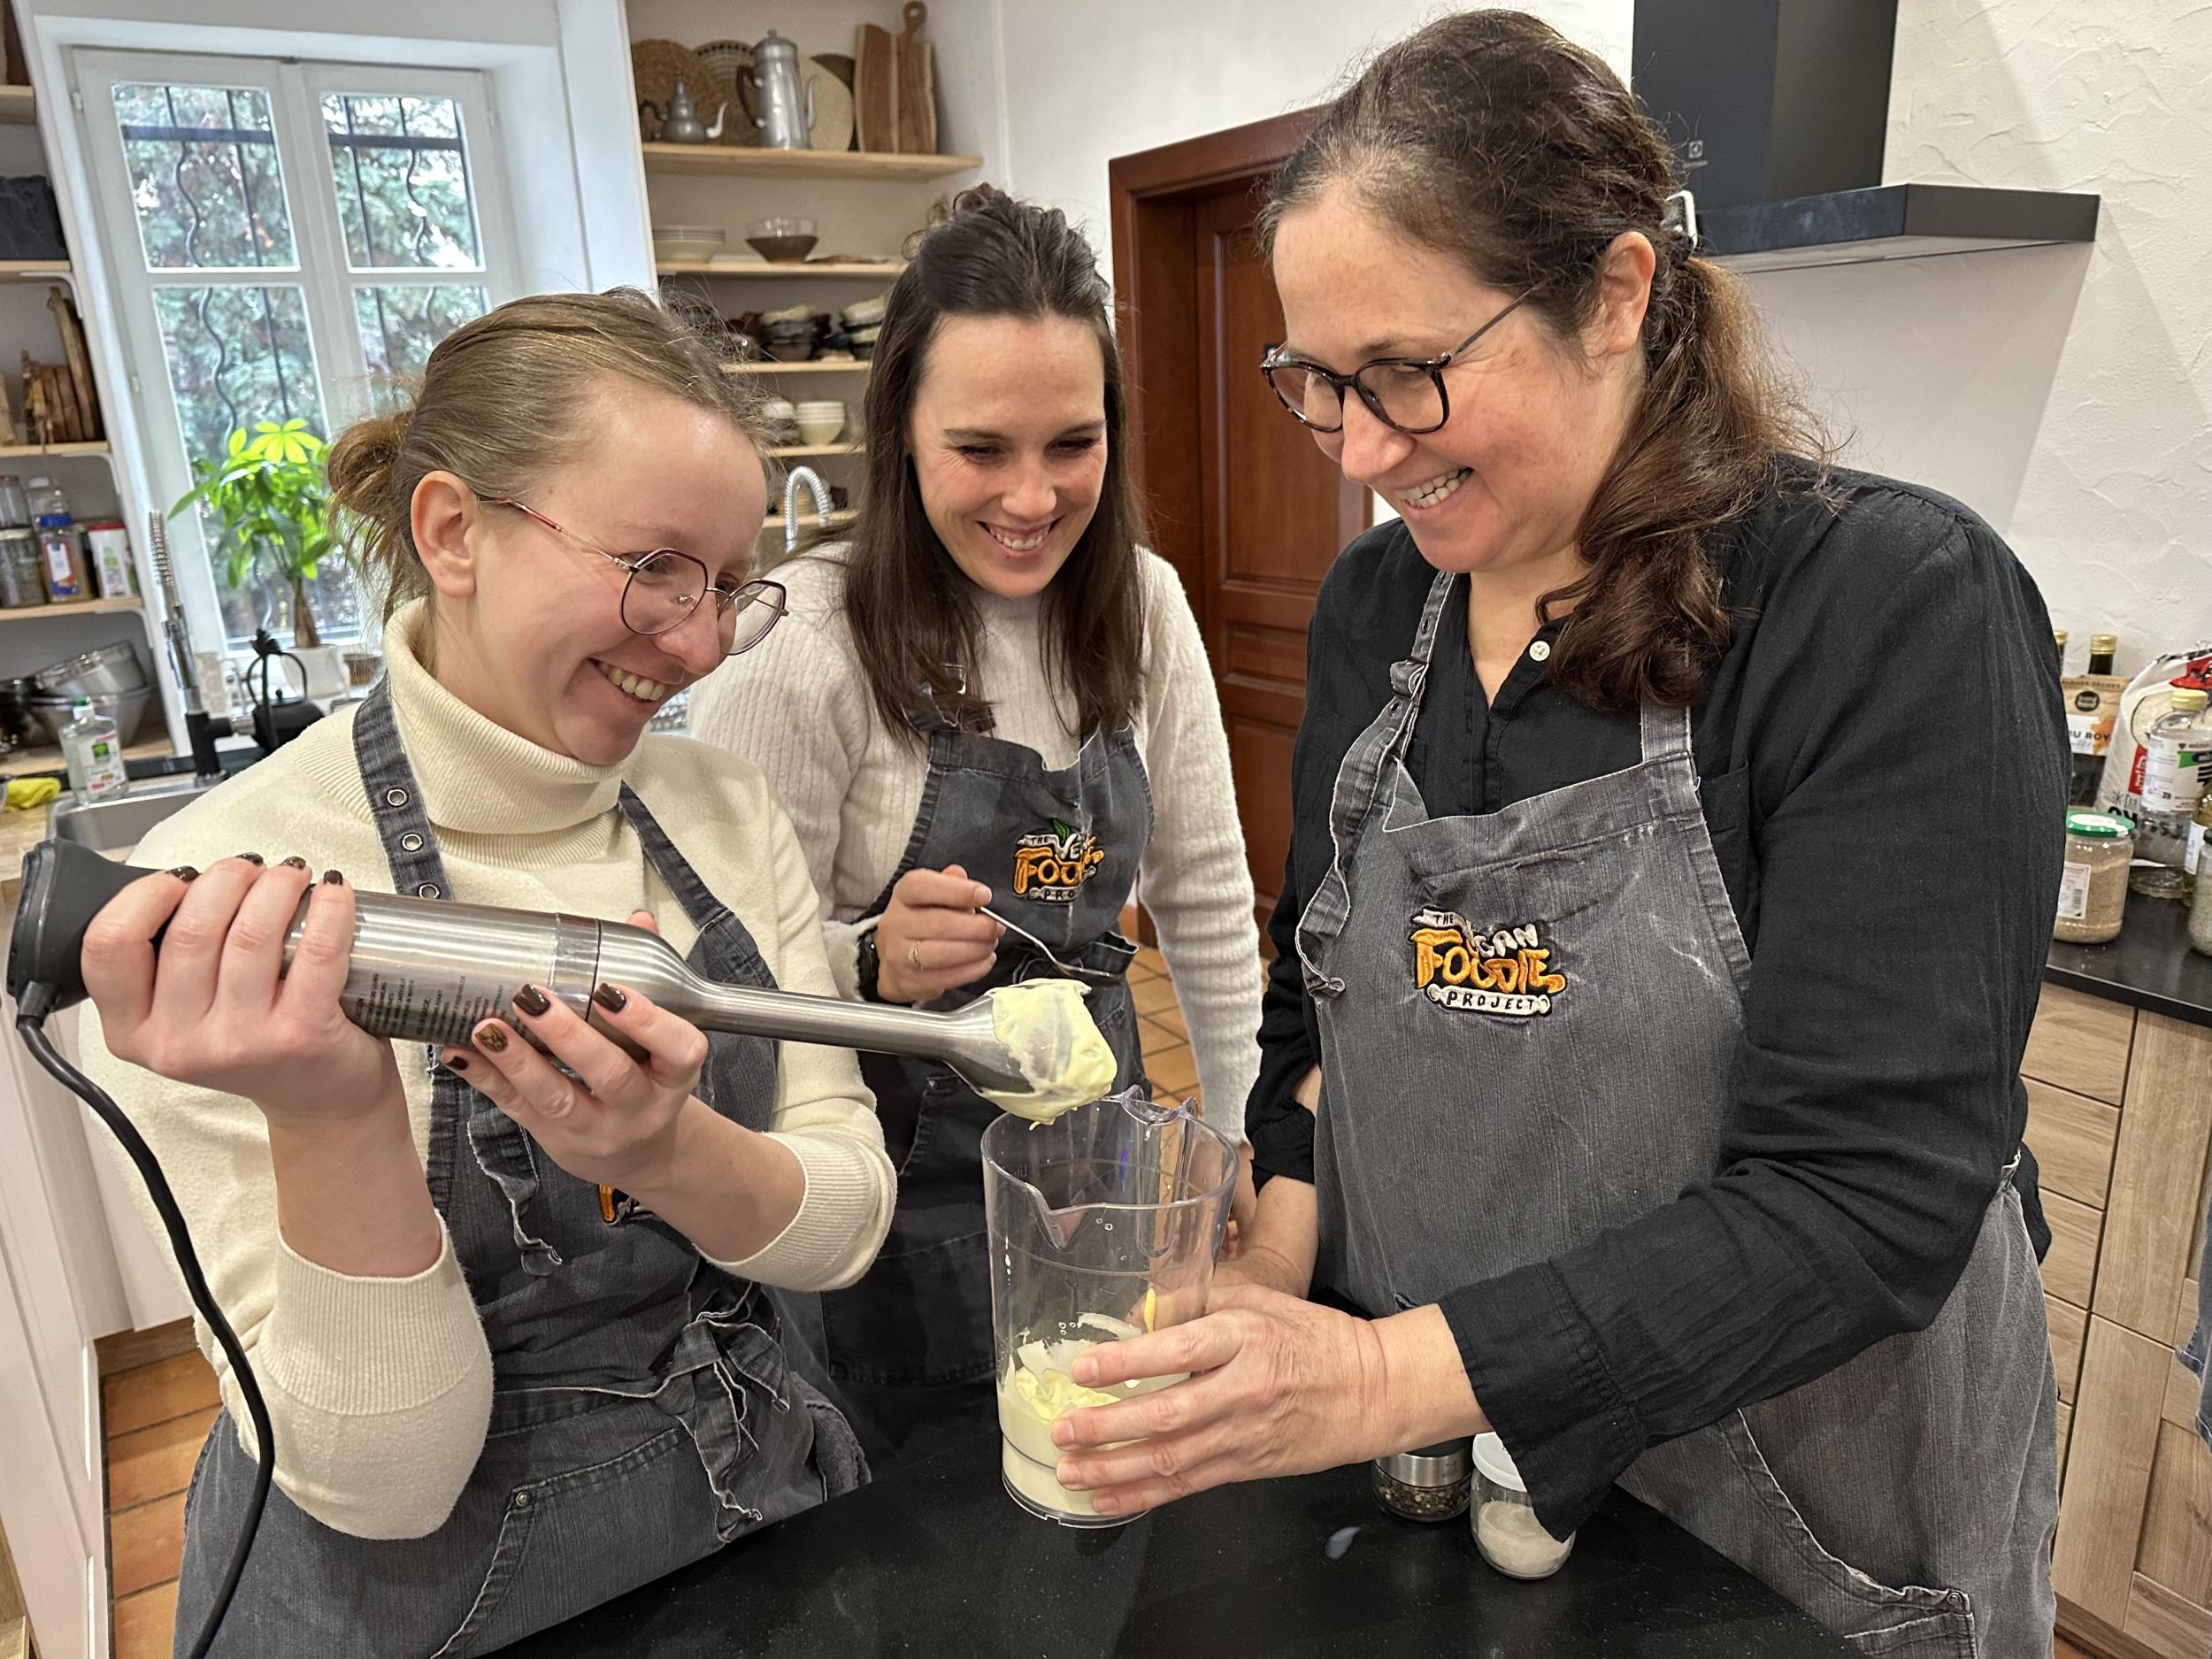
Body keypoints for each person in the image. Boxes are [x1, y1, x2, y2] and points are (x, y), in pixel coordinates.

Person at [1044, 15, 2065, 1654]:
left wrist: (1371, 1378)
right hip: (1447, 1480)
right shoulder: (1379, 608)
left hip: (1797, 1536)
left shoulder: (1886, 611)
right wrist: (1277, 1255)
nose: (1363, 452)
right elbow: (1321, 1019)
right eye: (1318, 384)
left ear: (1614, 293)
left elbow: (1867, 1199)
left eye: (1409, 373)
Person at [74, 290, 895, 1656]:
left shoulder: (722, 809)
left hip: (753, 1514)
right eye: (654, 567)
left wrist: (673, 1152)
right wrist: (333, 1117)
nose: (697, 646)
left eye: (725, 586)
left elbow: (844, 1219)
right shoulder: (226, 897)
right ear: (453, 530)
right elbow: (385, 1485)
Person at [689, 186, 1262, 1469]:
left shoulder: (1145, 606)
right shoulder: (805, 639)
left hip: (1108, 1174)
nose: (1033, 496)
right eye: (982, 449)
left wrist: (1228, 1135)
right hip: (890, 1205)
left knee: (1109, 1474)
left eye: (1073, 443)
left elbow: (1210, 895)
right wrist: (866, 961)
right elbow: (721, 974)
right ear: (900, 429)